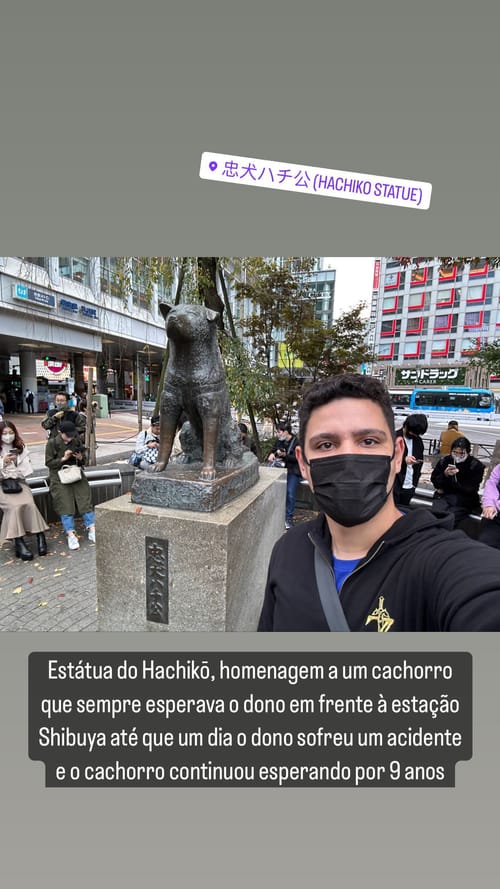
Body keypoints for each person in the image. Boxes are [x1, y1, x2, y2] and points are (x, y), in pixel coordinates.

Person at [258, 373, 500, 631]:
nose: (349, 461)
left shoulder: (445, 565)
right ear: (303, 463)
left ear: (397, 456)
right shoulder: (288, 549)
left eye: (368, 441)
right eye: (326, 444)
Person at [0, 420, 48, 560]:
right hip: (2, 486)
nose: (8, 436)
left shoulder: (21, 448)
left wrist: (14, 463)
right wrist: (3, 462)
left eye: (11, 433)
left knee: (30, 504)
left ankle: (40, 536)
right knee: (14, 507)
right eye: (4, 433)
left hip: (20, 484)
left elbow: (27, 472)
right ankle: (19, 542)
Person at [45, 421, 95, 550]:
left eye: (72, 435)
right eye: (68, 435)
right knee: (65, 504)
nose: (71, 438)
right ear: (61, 433)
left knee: (85, 500)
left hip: (76, 473)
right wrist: (63, 458)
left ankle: (92, 528)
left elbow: (82, 461)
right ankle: (70, 534)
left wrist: (79, 457)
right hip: (60, 476)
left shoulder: (76, 441)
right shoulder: (52, 443)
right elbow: (49, 463)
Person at [430, 436, 485, 528]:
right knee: (436, 515)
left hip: (463, 501)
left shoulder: (475, 465)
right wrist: (445, 475)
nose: (458, 455)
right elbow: (435, 480)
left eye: (461, 453)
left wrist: (456, 479)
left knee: (449, 519)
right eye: (455, 452)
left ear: (467, 452)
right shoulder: (445, 461)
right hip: (444, 497)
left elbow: (471, 488)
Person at [267, 422, 303, 529]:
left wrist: (285, 455)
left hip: (293, 471)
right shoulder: (279, 441)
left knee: (290, 493)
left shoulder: (297, 442)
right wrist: (272, 453)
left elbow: (298, 459)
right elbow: (273, 450)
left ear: (286, 432)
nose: (277, 434)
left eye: (279, 432)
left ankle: (288, 518)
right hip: (280, 470)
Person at [394, 413, 428, 506]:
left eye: (416, 434)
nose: (413, 436)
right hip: (394, 485)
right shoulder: (393, 438)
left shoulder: (418, 441)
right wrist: (403, 460)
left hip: (409, 486)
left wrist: (414, 485)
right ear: (405, 426)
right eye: (411, 433)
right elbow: (385, 461)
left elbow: (419, 462)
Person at [478, 462, 500, 550]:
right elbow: (491, 483)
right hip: (495, 518)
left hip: (497, 509)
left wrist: (497, 506)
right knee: (484, 547)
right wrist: (489, 504)